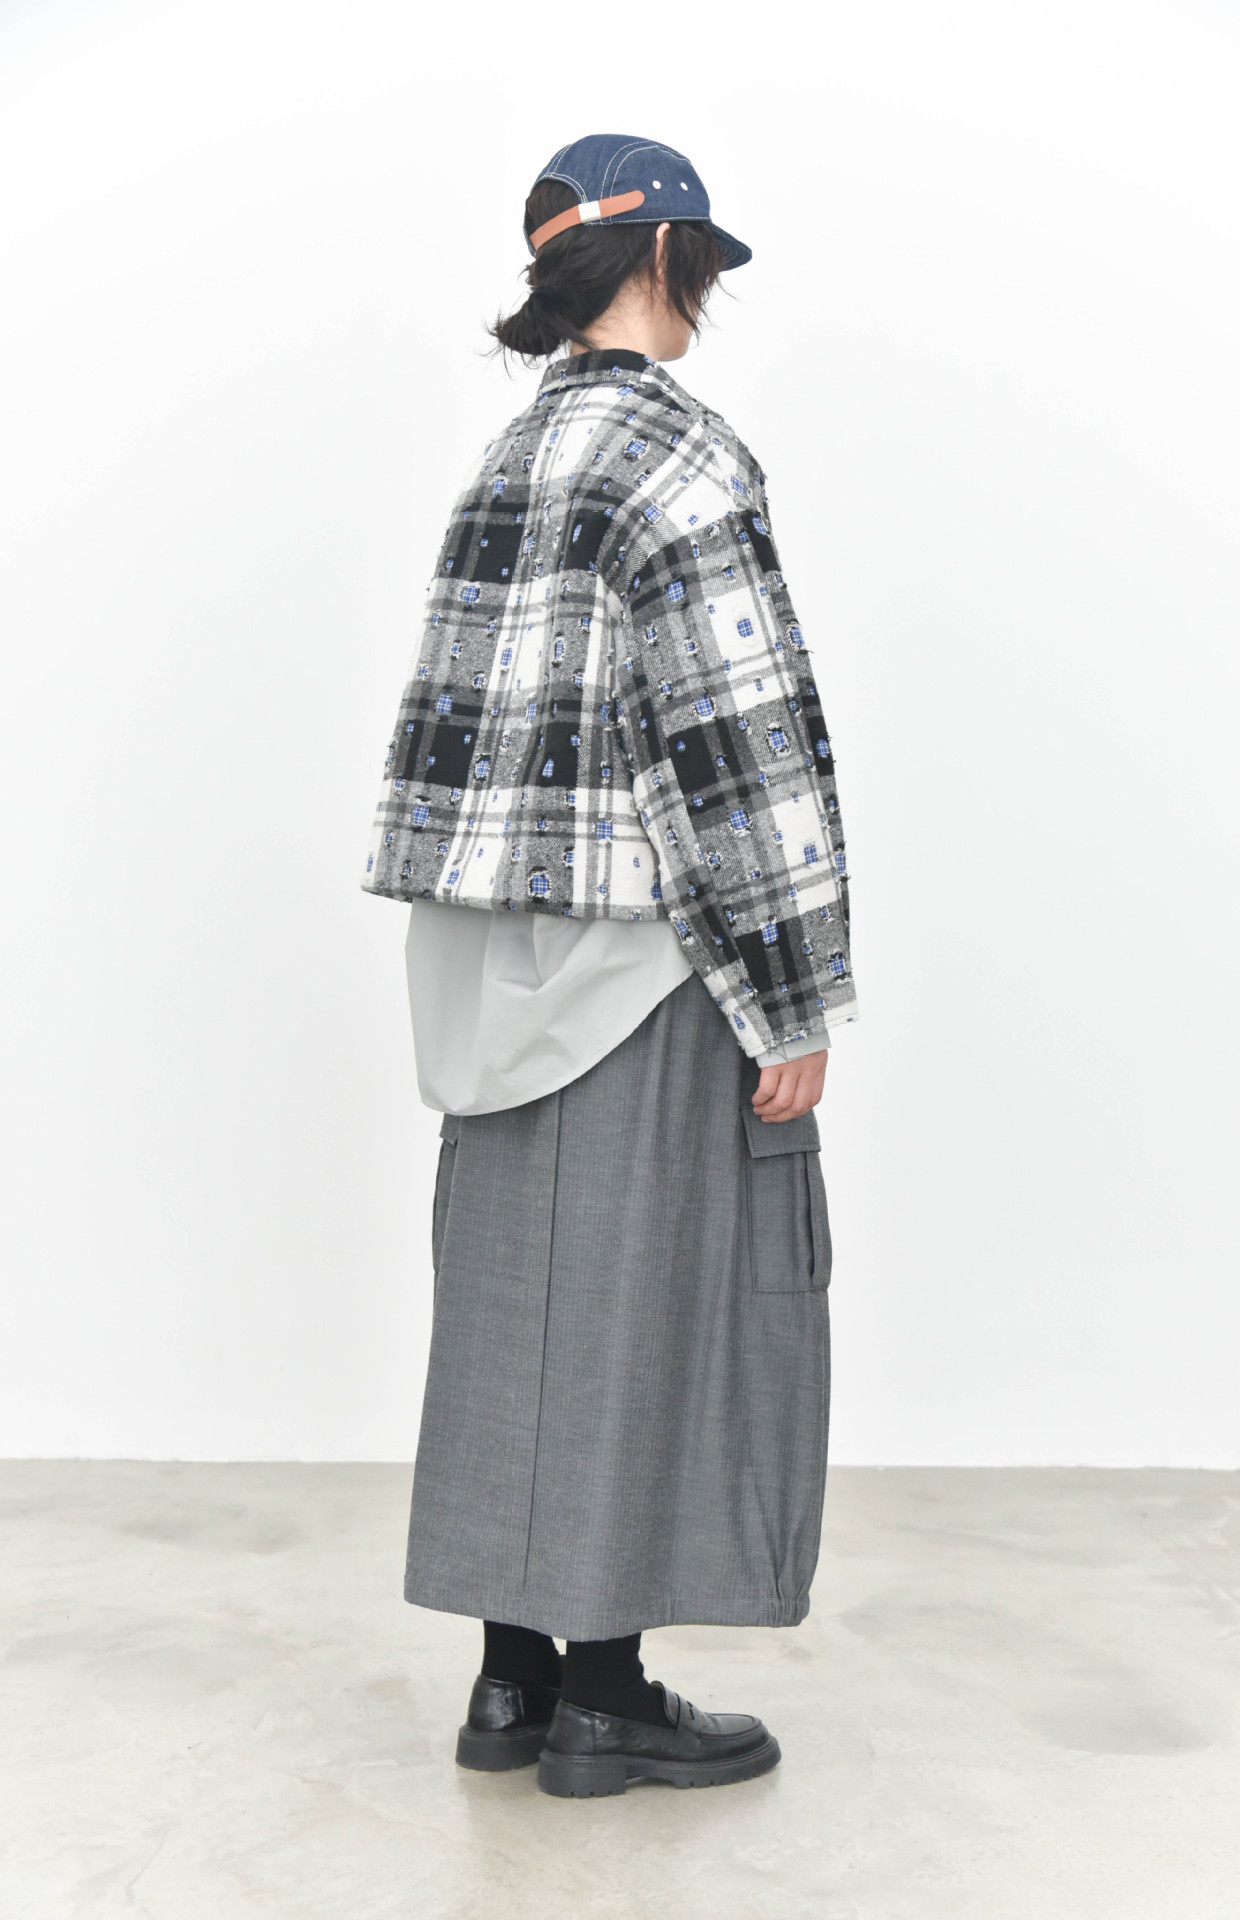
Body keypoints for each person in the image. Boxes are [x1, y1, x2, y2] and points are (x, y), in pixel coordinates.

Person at [362, 134, 857, 1798]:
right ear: (661, 259)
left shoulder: (510, 456)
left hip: (494, 965)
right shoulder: (679, 457)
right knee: (645, 1308)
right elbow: (736, 746)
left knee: (513, 1309)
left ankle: (508, 1687)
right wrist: (790, 989)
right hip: (648, 955)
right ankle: (603, 1697)